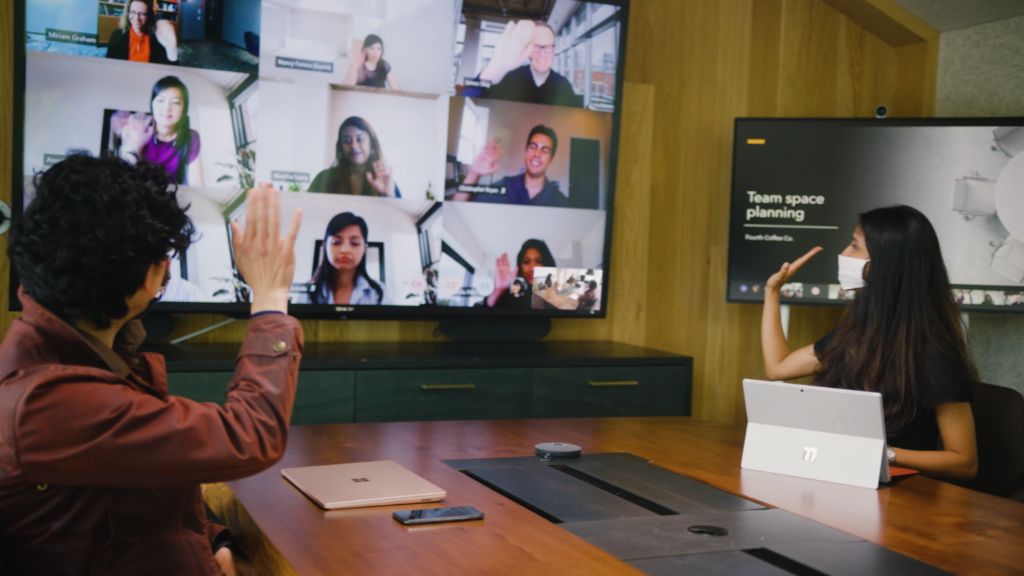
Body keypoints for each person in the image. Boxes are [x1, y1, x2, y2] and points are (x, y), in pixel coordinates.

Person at [0, 153, 304, 575]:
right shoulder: (49, 400)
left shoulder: (63, 360)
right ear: (151, 276)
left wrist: (211, 538)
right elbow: (249, 436)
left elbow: (131, 485)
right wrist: (270, 298)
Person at [761, 205, 978, 483]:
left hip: (896, 497)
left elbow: (964, 462)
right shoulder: (858, 332)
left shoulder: (934, 353)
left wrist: (881, 453)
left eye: (854, 247)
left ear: (887, 262)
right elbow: (777, 369)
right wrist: (772, 292)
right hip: (836, 478)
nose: (843, 254)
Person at [461, 20, 581, 108]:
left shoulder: (564, 86)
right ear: (527, 49)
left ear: (554, 50)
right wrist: (496, 65)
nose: (542, 54)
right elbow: (466, 104)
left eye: (548, 47)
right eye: (536, 47)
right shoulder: (509, 78)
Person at [453, 125, 567, 207]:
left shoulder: (561, 202)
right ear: (526, 151)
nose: (537, 154)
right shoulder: (504, 185)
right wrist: (474, 173)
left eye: (545, 151)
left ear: (551, 159)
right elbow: (456, 210)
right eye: (533, 147)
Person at [120, 76, 204, 186]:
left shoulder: (190, 136)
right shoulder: (139, 130)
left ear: (184, 108)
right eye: (160, 100)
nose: (167, 108)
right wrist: (135, 145)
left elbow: (197, 182)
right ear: (152, 104)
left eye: (175, 102)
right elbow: (123, 177)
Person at [294, 212, 391, 305]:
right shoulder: (308, 292)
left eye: (354, 243)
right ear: (325, 246)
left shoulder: (378, 292)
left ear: (364, 249)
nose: (345, 250)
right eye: (336, 242)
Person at [309, 117, 400, 198]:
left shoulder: (384, 180)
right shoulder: (324, 178)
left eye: (360, 139)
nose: (353, 146)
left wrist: (390, 195)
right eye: (347, 140)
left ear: (371, 144)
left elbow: (399, 216)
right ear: (341, 146)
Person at [483, 239, 555, 308]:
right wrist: (499, 289)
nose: (532, 268)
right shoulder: (513, 292)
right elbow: (485, 310)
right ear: (520, 264)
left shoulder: (558, 292)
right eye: (526, 261)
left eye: (539, 261)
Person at [105, 0, 179, 65]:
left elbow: (168, 72)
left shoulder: (157, 38)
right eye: (133, 12)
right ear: (128, 13)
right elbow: (108, 65)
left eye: (142, 14)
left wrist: (172, 49)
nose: (137, 18)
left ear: (149, 16)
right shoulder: (117, 35)